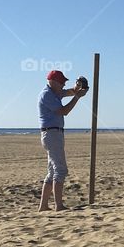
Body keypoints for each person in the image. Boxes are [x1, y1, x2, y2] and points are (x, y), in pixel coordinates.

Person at [38, 69, 89, 211]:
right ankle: (58, 206)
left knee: (52, 172)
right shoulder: (47, 95)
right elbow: (64, 111)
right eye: (61, 82)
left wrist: (78, 87)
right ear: (53, 82)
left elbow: (70, 91)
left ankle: (43, 206)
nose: (63, 85)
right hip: (52, 133)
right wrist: (77, 97)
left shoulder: (54, 92)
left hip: (53, 133)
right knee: (60, 170)